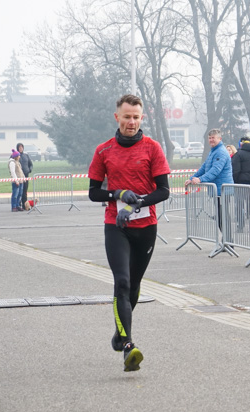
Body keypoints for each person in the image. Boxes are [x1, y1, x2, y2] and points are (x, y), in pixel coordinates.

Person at [87, 94, 170, 372]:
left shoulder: (153, 148)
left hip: (146, 227)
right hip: (116, 226)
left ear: (141, 118)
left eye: (136, 117)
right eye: (127, 116)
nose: (131, 122)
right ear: (117, 117)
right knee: (121, 283)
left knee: (133, 286)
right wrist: (118, 194)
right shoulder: (103, 151)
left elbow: (164, 190)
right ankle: (128, 346)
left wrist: (137, 203)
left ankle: (119, 332)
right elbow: (93, 192)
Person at [188, 128, 234, 231]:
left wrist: (200, 179)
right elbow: (204, 168)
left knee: (223, 217)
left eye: (213, 138)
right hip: (216, 190)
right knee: (220, 216)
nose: (211, 140)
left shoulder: (221, 152)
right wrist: (192, 178)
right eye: (209, 138)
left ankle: (228, 242)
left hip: (222, 190)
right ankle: (225, 242)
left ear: (219, 138)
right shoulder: (213, 152)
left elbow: (215, 171)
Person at [16, 142, 33, 210]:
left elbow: (31, 164)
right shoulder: (15, 156)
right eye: (19, 147)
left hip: (26, 175)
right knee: (19, 191)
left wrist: (29, 170)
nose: (21, 148)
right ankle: (18, 205)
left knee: (25, 191)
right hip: (19, 176)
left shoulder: (26, 155)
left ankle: (25, 205)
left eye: (22, 147)